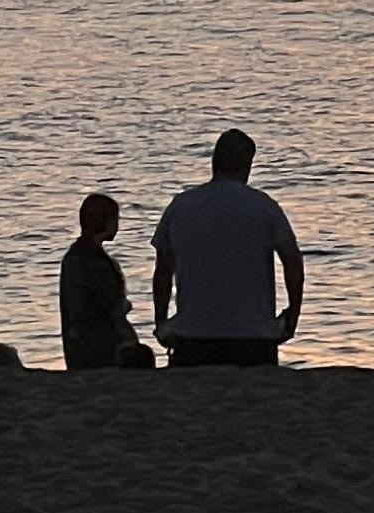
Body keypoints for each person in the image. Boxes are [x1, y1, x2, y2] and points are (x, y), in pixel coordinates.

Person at [151, 128, 304, 369]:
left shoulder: (181, 206)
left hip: (193, 336)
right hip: (253, 338)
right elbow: (292, 260)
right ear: (247, 165)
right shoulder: (264, 207)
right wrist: (292, 313)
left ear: (214, 162)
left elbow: (163, 269)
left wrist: (161, 320)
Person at [59, 190, 155, 370]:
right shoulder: (96, 262)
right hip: (104, 345)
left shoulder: (73, 257)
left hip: (78, 344)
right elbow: (114, 309)